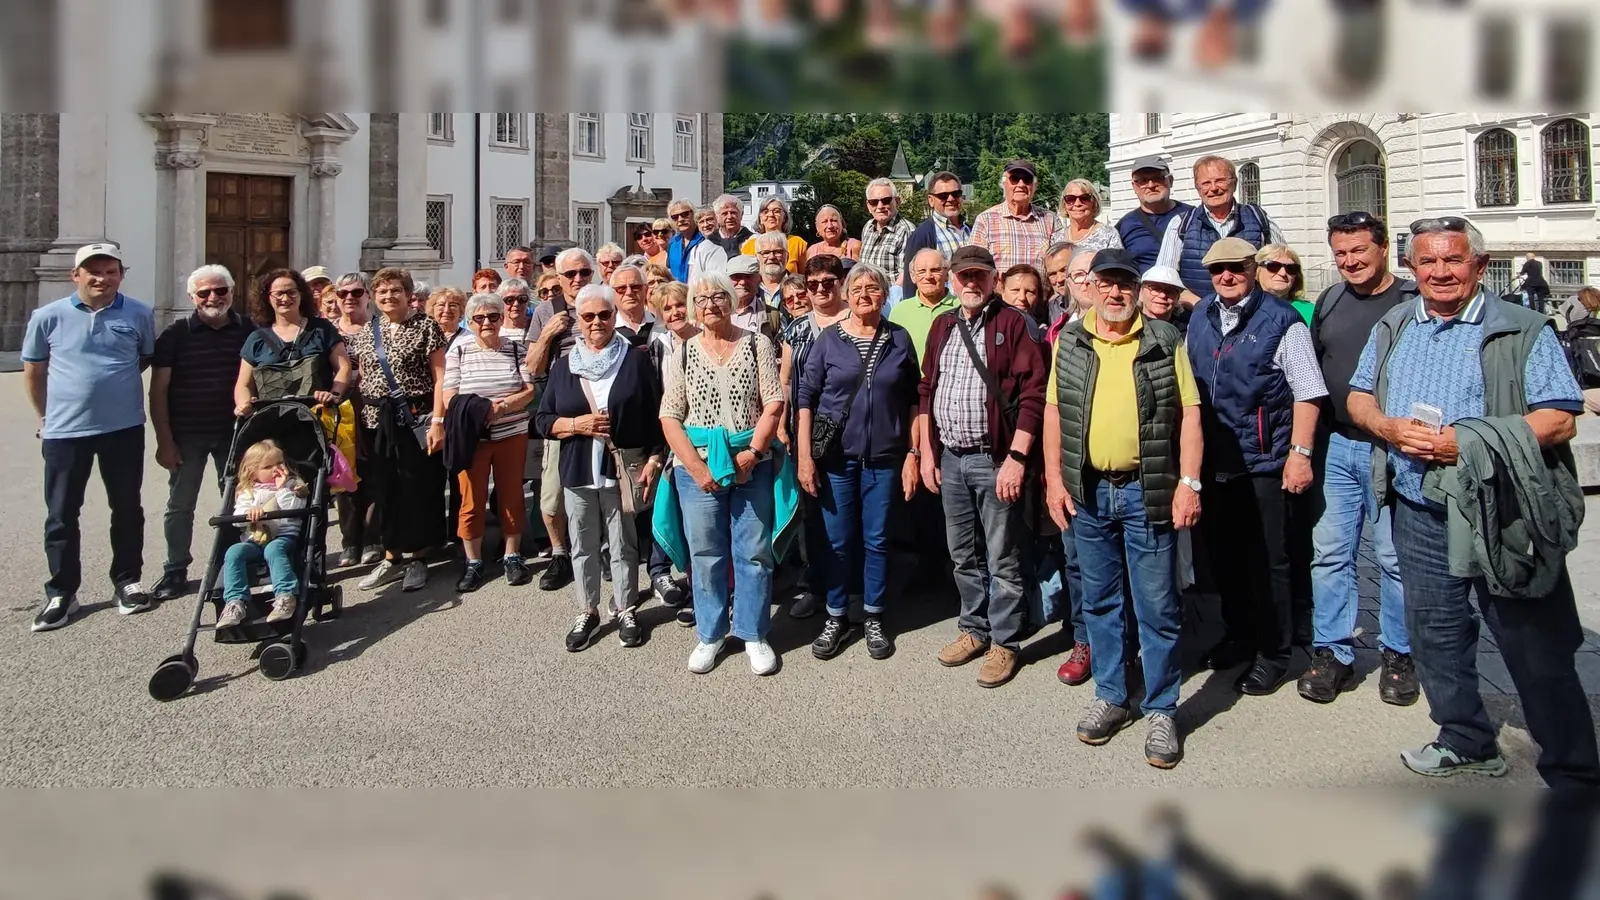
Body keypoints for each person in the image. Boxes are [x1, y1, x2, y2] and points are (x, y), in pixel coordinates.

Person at [1348, 216, 1599, 786]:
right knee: (1434, 633)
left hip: (1501, 508)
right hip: (1418, 508)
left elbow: (1559, 418)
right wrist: (1387, 427)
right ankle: (1465, 739)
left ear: (1479, 266)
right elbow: (1359, 395)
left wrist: (1472, 439)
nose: (1440, 272)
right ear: (1411, 268)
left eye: (1453, 260)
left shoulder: (1522, 327)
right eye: (1428, 262)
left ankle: (1574, 774)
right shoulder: (1394, 324)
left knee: (1533, 643)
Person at [1043, 248, 1203, 769]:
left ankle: (1161, 709)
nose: (1115, 293)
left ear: (1136, 290)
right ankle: (1111, 697)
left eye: (1124, 285)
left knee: (1156, 606)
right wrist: (1053, 481)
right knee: (1101, 601)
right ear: (1089, 285)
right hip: (1089, 492)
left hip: (1147, 490)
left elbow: (1192, 416)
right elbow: (1052, 412)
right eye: (1106, 283)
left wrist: (1189, 484)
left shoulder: (1163, 339)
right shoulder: (1072, 338)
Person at [1186, 237, 1327, 696]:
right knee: (1225, 557)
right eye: (1218, 269)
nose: (1227, 276)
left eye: (1236, 268)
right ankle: (1239, 635)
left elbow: (1308, 393)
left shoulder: (1282, 321)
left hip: (1265, 461)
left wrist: (1300, 456)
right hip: (1216, 461)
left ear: (1253, 268)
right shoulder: (1202, 315)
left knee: (1270, 561)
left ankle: (1274, 651)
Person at [1299, 211, 1417, 706]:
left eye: (1358, 252)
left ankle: (1399, 653)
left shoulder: (1413, 301)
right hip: (1338, 444)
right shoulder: (1330, 298)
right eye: (1341, 253)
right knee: (1330, 555)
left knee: (1392, 557)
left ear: (1384, 249)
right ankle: (1333, 653)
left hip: (1392, 448)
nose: (1349, 262)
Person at [919, 245, 1047, 688]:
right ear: (953, 281)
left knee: (1003, 556)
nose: (970, 284)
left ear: (993, 278)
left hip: (995, 459)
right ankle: (974, 629)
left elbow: (1034, 394)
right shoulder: (942, 325)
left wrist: (1016, 458)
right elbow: (926, 390)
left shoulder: (1014, 324)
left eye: (979, 276)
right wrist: (927, 452)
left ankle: (1005, 643)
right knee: (962, 553)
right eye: (963, 276)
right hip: (951, 456)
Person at [657, 272, 789, 675]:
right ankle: (711, 634)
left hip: (752, 460)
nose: (710, 304)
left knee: (752, 552)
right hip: (695, 466)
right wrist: (696, 468)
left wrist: (752, 452)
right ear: (694, 308)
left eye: (719, 297)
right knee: (706, 553)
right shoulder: (681, 352)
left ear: (732, 302)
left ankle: (753, 632)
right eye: (702, 299)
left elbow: (774, 402)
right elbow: (669, 415)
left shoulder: (756, 343)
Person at [24, 243, 159, 631]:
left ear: (121, 274)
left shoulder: (138, 313)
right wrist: (46, 416)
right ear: (76, 275)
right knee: (62, 513)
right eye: (93, 271)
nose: (102, 278)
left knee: (127, 508)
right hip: (65, 431)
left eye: (110, 271)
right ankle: (62, 592)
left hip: (123, 427)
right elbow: (34, 370)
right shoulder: (48, 316)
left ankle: (127, 581)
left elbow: (144, 357)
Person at [796, 263, 921, 661]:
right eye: (858, 288)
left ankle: (873, 614)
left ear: (885, 295)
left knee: (878, 539)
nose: (865, 294)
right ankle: (835, 615)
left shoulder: (899, 339)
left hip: (885, 457)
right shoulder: (830, 341)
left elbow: (916, 399)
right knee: (837, 541)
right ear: (846, 295)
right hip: (836, 458)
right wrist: (804, 457)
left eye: (873, 288)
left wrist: (914, 454)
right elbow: (805, 400)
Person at [538, 284, 666, 650]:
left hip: (621, 468)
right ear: (578, 320)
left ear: (614, 317)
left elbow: (656, 414)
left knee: (623, 543)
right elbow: (543, 419)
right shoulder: (564, 367)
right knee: (581, 544)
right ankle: (588, 609)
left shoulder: (635, 360)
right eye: (589, 316)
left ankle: (626, 606)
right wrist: (576, 425)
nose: (597, 322)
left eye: (604, 315)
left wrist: (656, 456)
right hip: (577, 468)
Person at [149, 264, 256, 603]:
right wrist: (164, 440)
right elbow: (158, 391)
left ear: (232, 293)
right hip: (187, 434)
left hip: (234, 433)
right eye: (205, 292)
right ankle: (175, 569)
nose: (213, 297)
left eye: (220, 291)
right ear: (192, 297)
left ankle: (232, 564)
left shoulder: (249, 330)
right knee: (180, 504)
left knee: (239, 503)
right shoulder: (175, 334)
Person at [347, 267, 449, 594]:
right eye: (382, 292)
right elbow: (364, 378)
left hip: (416, 418)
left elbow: (441, 378)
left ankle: (418, 558)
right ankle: (391, 557)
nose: (389, 296)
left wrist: (438, 421)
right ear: (374, 298)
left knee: (416, 488)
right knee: (385, 489)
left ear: (408, 295)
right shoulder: (367, 332)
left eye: (395, 291)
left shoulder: (425, 327)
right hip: (377, 422)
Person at [443, 292, 537, 592]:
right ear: (469, 322)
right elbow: (449, 396)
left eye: (494, 316)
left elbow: (529, 390)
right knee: (471, 500)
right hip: (473, 437)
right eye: (479, 318)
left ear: (501, 318)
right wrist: (482, 410)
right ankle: (473, 561)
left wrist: (502, 408)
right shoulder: (459, 351)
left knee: (511, 495)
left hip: (512, 432)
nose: (487, 323)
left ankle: (512, 554)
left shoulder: (514, 349)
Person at [781, 255, 853, 619]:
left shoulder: (856, 321)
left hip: (848, 429)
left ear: (841, 282)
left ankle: (849, 587)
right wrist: (782, 424)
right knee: (811, 509)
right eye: (814, 284)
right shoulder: (797, 328)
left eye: (829, 282)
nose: (822, 289)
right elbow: (786, 380)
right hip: (805, 429)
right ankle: (814, 583)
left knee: (847, 510)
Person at [525, 248, 598, 591]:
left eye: (584, 272)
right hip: (563, 411)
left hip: (603, 408)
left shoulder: (602, 301)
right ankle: (559, 553)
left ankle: (604, 551)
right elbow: (533, 366)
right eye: (570, 274)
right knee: (553, 493)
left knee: (604, 488)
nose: (578, 279)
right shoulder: (545, 310)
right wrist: (546, 334)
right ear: (558, 276)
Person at [1155, 155, 1284, 307]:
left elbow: (1283, 268)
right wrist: (1202, 306)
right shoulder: (1180, 224)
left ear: (1234, 183)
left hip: (1253, 316)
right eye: (1206, 183)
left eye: (1220, 180)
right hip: (1196, 317)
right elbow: (1166, 280)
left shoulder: (1259, 218)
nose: (1213, 188)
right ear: (1198, 188)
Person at [215, 439, 309, 628]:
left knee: (273, 549)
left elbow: (295, 508)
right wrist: (249, 514)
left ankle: (285, 595)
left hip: (283, 537)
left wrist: (282, 488)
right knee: (234, 552)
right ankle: (235, 602)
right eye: (268, 467)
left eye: (279, 464)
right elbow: (237, 518)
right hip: (254, 541)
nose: (276, 469)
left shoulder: (292, 485)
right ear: (253, 472)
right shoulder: (247, 491)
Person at [331, 272, 382, 568]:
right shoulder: (328, 331)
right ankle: (350, 540)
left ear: (367, 296)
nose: (349, 298)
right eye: (343, 293)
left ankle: (373, 537)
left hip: (372, 410)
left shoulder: (379, 327)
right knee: (344, 476)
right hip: (340, 414)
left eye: (356, 292)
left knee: (373, 475)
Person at [970, 159, 1066, 273]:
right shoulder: (986, 220)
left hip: (1039, 291)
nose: (1021, 184)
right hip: (998, 291)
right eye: (1014, 179)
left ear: (1034, 186)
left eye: (1027, 180)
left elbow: (1062, 262)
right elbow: (975, 264)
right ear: (1004, 184)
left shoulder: (1050, 219)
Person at [1115, 155, 1192, 272]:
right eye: (1143, 181)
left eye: (1157, 178)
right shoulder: (1124, 226)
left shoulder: (1193, 216)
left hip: (1188, 288)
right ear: (1134, 187)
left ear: (1170, 181)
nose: (1150, 185)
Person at [901, 170, 970, 289]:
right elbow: (911, 280)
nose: (951, 199)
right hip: (943, 305)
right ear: (931, 200)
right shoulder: (922, 235)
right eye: (943, 196)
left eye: (956, 194)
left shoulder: (972, 229)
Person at [860, 177, 917, 298]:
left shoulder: (906, 230)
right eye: (874, 202)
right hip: (867, 295)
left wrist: (891, 300)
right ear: (868, 206)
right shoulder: (868, 227)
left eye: (886, 200)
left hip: (891, 299)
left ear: (897, 201)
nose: (880, 206)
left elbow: (906, 273)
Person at [739, 197, 809, 271]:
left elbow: (804, 276)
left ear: (784, 217)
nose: (771, 215)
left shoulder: (797, 243)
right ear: (760, 219)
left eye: (777, 211)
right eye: (765, 212)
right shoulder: (750, 245)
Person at [1057, 178, 1123, 254]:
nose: (1077, 203)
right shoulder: (1056, 238)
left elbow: (1116, 263)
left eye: (1084, 198)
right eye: (1070, 199)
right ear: (1064, 204)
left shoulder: (1108, 234)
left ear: (1094, 203)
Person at [666, 199, 724, 283]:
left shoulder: (706, 239)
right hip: (678, 293)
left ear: (693, 214)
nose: (680, 219)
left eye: (685, 214)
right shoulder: (672, 243)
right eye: (675, 217)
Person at [724, 254, 781, 339]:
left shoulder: (773, 316)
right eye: (737, 276)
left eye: (748, 276)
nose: (743, 282)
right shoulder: (714, 312)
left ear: (759, 279)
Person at [1256, 244, 1313, 325]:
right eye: (1273, 266)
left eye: (1291, 268)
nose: (1283, 273)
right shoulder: (1243, 309)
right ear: (1256, 271)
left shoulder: (1311, 311)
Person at [1000, 263, 1050, 340]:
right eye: (1015, 290)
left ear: (1038, 296)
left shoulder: (1046, 334)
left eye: (1030, 291)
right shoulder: (989, 327)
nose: (1022, 297)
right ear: (1002, 290)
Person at [752, 231, 790, 310]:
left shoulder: (801, 285)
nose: (771, 257)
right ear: (757, 258)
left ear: (787, 256)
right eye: (765, 253)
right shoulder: (750, 288)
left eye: (778, 252)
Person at [709, 194, 754, 259]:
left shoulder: (754, 240)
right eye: (724, 213)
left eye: (733, 213)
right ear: (716, 217)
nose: (729, 217)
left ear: (741, 214)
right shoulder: (709, 243)